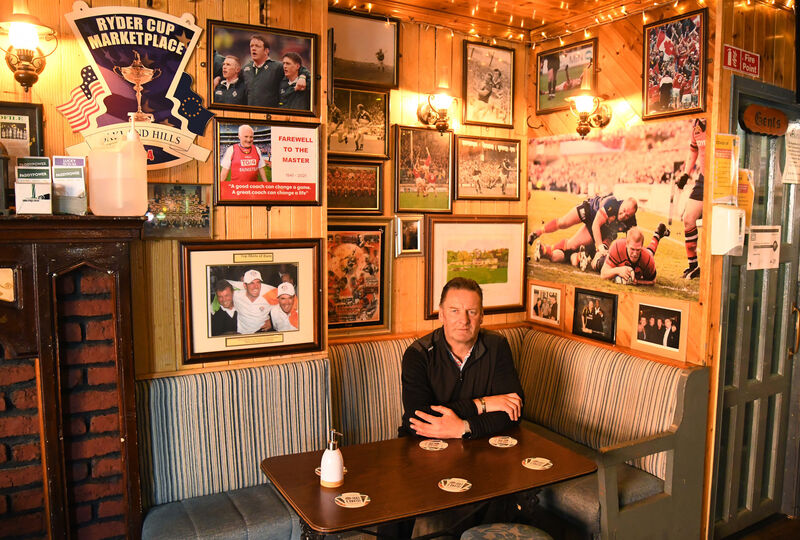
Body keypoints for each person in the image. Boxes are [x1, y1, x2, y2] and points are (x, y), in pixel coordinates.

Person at [399, 277, 523, 440]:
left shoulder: (497, 346)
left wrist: (464, 428)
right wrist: (483, 404)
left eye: (472, 312)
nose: (464, 320)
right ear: (441, 315)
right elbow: (418, 419)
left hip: (478, 445)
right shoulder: (418, 354)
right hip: (424, 445)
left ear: (482, 316)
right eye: (454, 311)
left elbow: (514, 412)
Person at [530, 194, 638, 266]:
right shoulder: (612, 204)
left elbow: (633, 240)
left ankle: (545, 250)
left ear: (632, 216)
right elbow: (596, 224)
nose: (623, 215)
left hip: (599, 229)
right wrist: (600, 247)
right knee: (563, 222)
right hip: (590, 210)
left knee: (571, 246)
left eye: (627, 216)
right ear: (622, 203)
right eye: (623, 211)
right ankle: (538, 232)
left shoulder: (631, 223)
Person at [241, 34, 308, 108]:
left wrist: (302, 77)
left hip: (270, 115)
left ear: (266, 51)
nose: (253, 48)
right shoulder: (246, 69)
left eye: (257, 46)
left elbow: (299, 68)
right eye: (251, 46)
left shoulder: (277, 67)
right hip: (249, 115)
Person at [676, 117, 706, 279]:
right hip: (704, 178)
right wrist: (686, 174)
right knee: (688, 218)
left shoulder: (718, 119)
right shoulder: (696, 125)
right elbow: (694, 150)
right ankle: (693, 266)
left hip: (721, 177)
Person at [592, 225, 670, 285]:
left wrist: (637, 282)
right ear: (626, 244)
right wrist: (617, 270)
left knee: (649, 254)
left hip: (644, 257)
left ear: (642, 247)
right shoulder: (617, 247)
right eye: (632, 249)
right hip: (616, 264)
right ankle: (605, 242)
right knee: (596, 264)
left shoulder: (647, 258)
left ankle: (657, 235)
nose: (635, 253)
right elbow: (603, 274)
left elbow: (653, 281)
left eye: (638, 250)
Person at [231, 269, 275, 334]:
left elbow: (283, 303)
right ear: (245, 286)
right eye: (252, 283)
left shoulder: (268, 295)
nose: (256, 286)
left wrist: (271, 320)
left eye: (258, 282)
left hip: (262, 332)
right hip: (243, 334)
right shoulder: (237, 295)